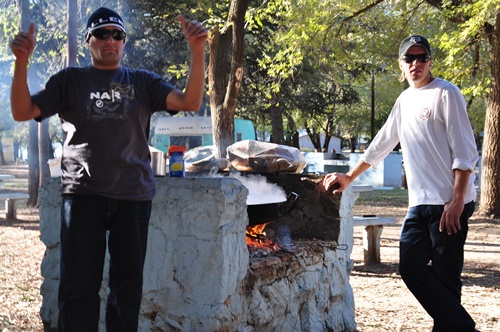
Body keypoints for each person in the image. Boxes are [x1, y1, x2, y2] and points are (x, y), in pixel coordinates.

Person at [9, 7, 208, 332]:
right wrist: (21, 62)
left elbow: (189, 102)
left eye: (117, 34)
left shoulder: (142, 81)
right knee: (77, 291)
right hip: (83, 196)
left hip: (134, 196)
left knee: (126, 293)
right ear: (89, 41)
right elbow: (22, 111)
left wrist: (198, 51)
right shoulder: (70, 80)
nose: (110, 39)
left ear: (124, 41)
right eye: (101, 33)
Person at [323, 35, 480, 332]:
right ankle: (464, 328)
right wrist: (349, 177)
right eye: (410, 58)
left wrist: (457, 202)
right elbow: (381, 144)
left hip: (449, 203)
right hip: (419, 204)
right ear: (401, 64)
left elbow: (465, 154)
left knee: (446, 279)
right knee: (410, 269)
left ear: (430, 61)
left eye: (422, 58)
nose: (416, 63)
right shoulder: (404, 100)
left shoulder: (446, 94)